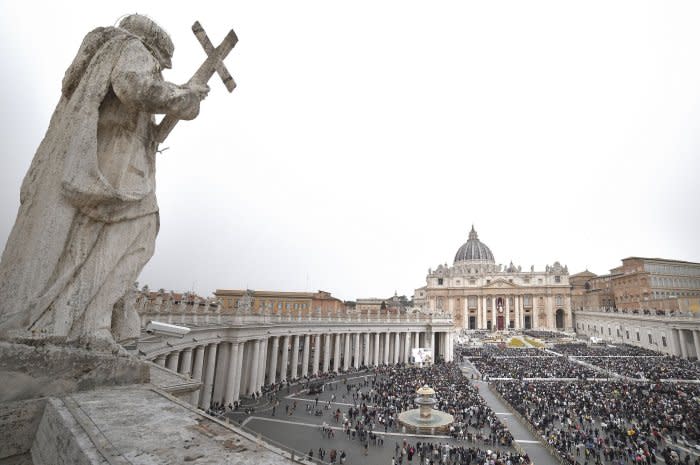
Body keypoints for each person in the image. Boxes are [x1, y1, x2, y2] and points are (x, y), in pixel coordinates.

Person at [0, 14, 208, 348]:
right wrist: (186, 97)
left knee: (92, 240)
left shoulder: (103, 57)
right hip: (112, 169)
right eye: (162, 65)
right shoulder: (129, 47)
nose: (161, 70)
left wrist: (173, 109)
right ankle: (91, 323)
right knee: (140, 232)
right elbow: (136, 88)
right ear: (154, 49)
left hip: (109, 163)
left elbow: (146, 130)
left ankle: (81, 321)